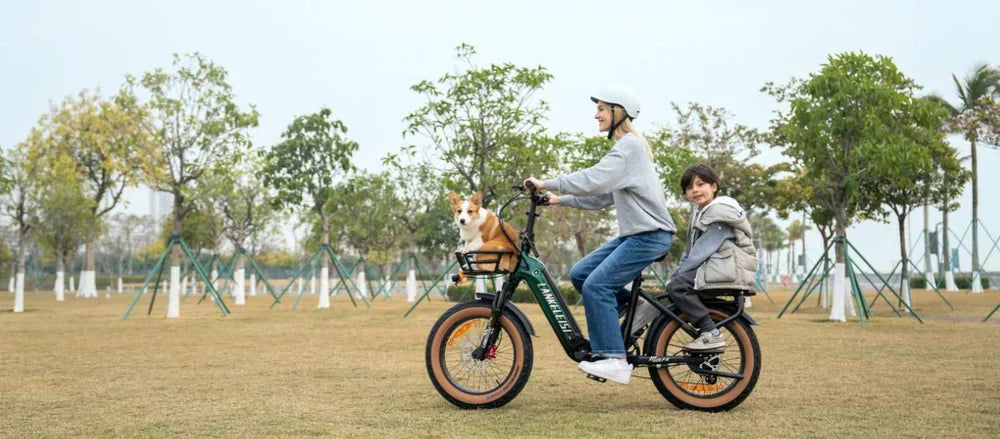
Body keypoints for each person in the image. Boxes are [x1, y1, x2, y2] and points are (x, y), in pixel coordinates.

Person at [523, 85, 675, 385]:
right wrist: (557, 199)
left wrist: (547, 182)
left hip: (650, 234)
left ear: (620, 112)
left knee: (597, 286)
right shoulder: (627, 149)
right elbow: (602, 196)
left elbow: (594, 179)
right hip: (637, 234)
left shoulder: (629, 146)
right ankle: (637, 308)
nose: (596, 115)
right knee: (581, 274)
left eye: (603, 109)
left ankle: (614, 359)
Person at [667, 163, 757, 351]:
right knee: (675, 285)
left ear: (714, 186)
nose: (696, 190)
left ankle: (710, 332)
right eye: (690, 187)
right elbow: (689, 249)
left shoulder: (719, 212)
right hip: (718, 267)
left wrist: (679, 275)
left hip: (730, 267)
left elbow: (702, 250)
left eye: (701, 184)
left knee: (678, 286)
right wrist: (679, 271)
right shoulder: (700, 214)